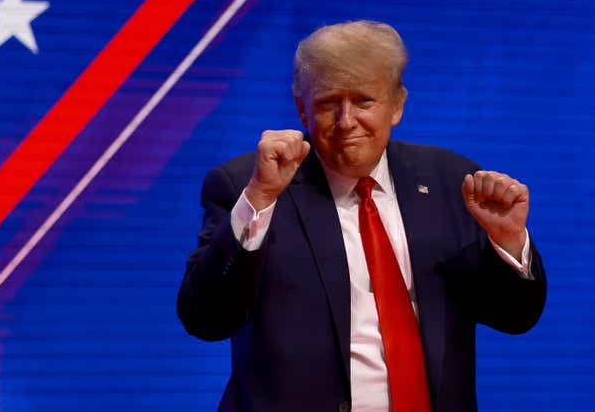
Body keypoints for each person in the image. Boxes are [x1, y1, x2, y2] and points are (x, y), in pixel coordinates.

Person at [177, 20, 546, 412]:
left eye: (365, 101)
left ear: (397, 105)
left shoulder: (450, 182)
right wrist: (260, 197)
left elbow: (515, 316)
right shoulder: (250, 185)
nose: (346, 121)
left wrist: (508, 243)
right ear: (301, 108)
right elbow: (206, 319)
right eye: (327, 102)